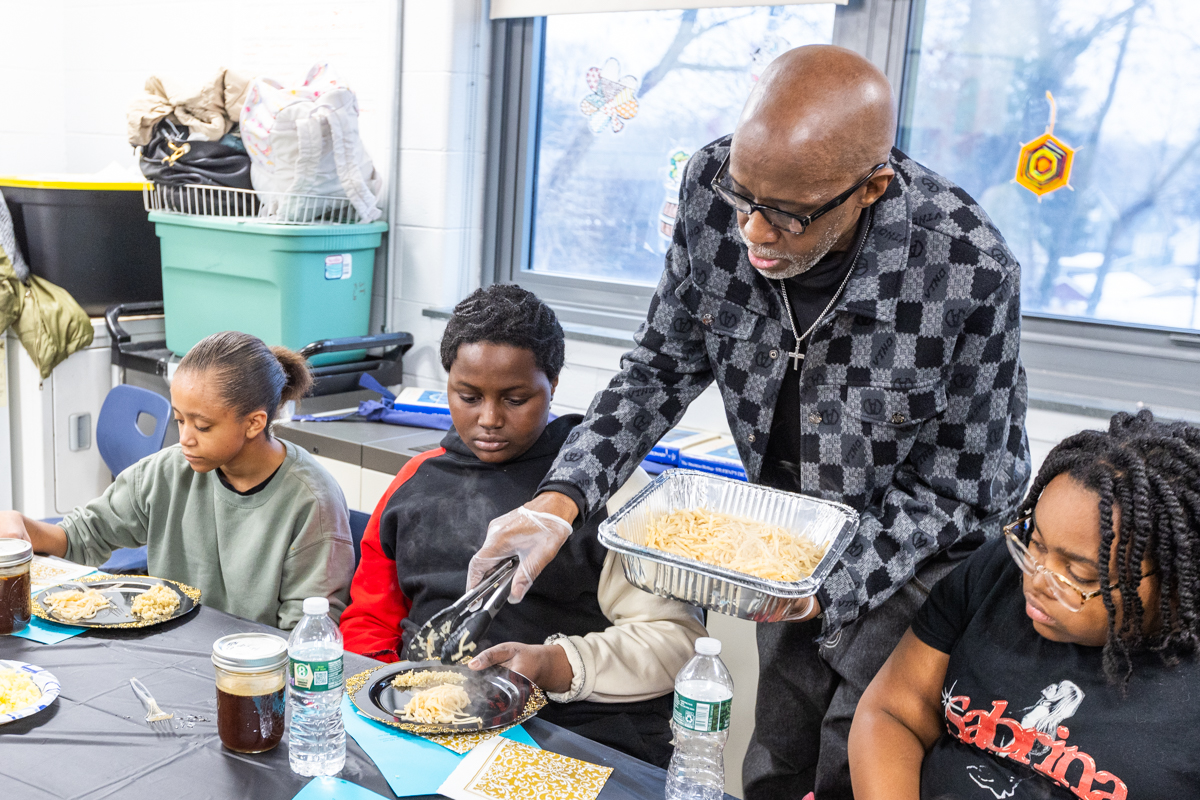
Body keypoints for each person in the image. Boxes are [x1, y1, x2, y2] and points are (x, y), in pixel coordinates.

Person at [467, 45, 1031, 799]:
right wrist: (557, 502)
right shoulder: (712, 187)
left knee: (850, 762)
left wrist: (828, 585)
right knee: (773, 759)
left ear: (871, 189)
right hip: (785, 537)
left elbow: (964, 486)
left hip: (916, 560)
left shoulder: (965, 265)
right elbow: (659, 368)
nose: (754, 234)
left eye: (789, 216)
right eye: (744, 200)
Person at [339, 284, 706, 767]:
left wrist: (554, 665)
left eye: (515, 399)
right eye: (468, 396)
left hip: (574, 733)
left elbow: (676, 643)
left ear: (552, 385)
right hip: (427, 723)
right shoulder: (415, 479)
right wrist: (390, 704)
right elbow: (371, 618)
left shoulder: (615, 489)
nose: (488, 419)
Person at [849, 410, 1200, 799]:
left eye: (1078, 576)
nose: (1034, 579)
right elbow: (895, 712)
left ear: (1172, 581)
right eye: (1034, 542)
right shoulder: (1000, 571)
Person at [0, 331, 355, 630]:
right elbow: (84, 536)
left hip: (253, 676)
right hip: (171, 652)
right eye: (180, 420)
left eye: (202, 426)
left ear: (254, 423)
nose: (185, 438)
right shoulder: (168, 471)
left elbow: (307, 635)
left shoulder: (311, 501)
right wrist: (24, 530)